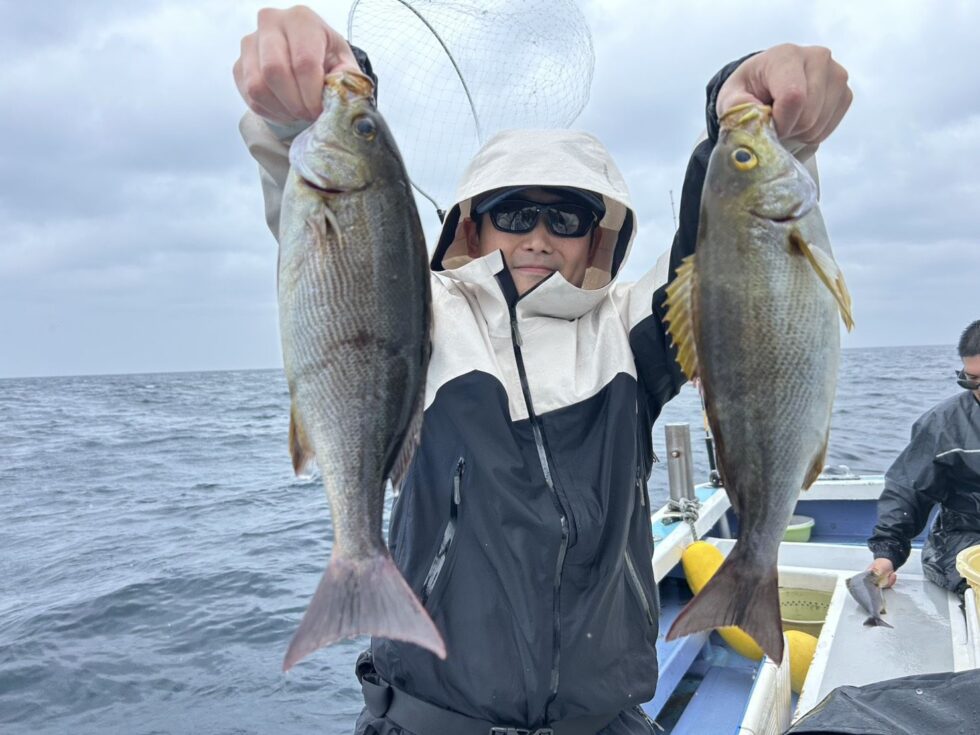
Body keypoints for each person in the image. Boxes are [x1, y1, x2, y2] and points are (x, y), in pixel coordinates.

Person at [234, 7, 853, 733]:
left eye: (566, 218)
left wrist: (740, 110)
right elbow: (335, 241)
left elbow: (728, 255)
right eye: (512, 211)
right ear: (472, 224)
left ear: (599, 236)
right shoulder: (422, 312)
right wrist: (302, 109)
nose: (537, 235)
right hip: (430, 719)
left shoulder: (628, 330)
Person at [868, 320, 980, 594]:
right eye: (971, 380)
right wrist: (887, 553)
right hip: (966, 535)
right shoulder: (942, 425)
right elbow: (908, 489)